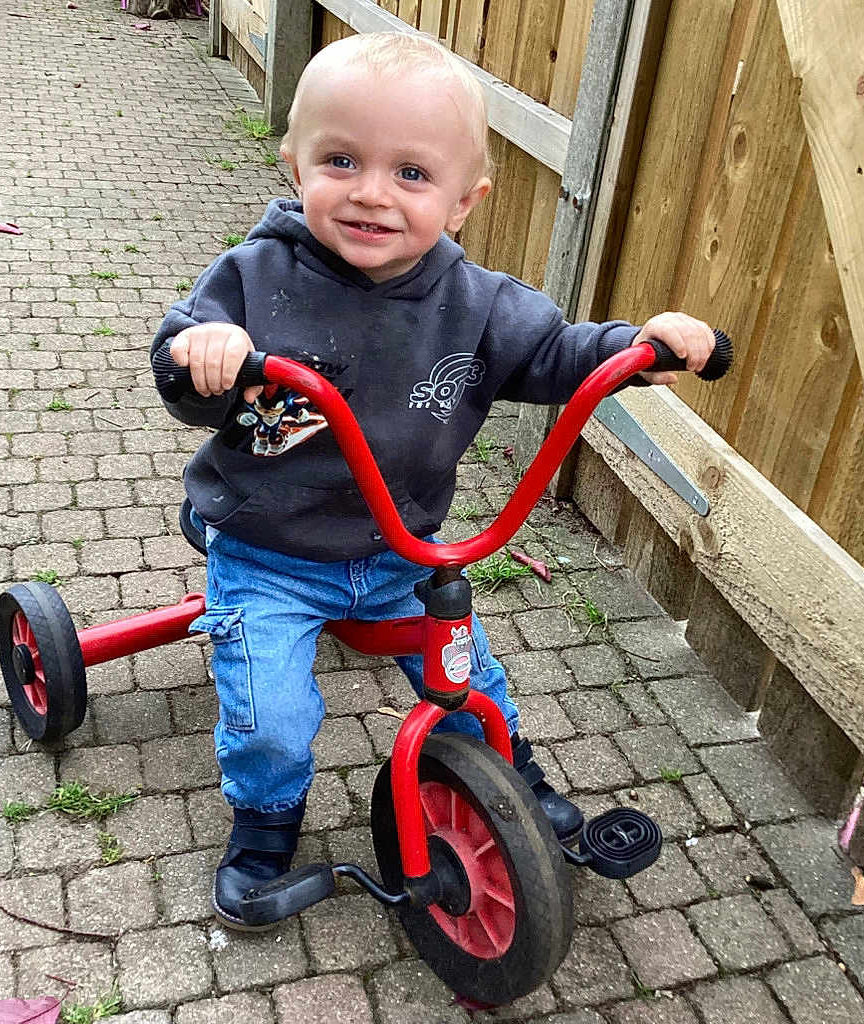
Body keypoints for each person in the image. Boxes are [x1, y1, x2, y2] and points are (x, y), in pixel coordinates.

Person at [150, 30, 715, 930]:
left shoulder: (479, 304)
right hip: (270, 548)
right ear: (295, 165)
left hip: (399, 551)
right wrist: (205, 355)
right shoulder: (254, 277)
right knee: (271, 716)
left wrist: (633, 349)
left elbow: (556, 353)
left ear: (463, 201)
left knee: (469, 676)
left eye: (412, 174)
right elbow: (179, 364)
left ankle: (509, 772)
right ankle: (264, 825)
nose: (372, 192)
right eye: (342, 160)